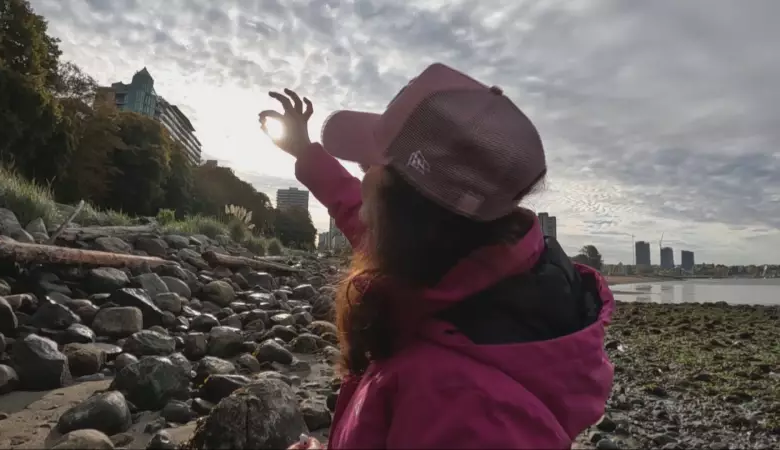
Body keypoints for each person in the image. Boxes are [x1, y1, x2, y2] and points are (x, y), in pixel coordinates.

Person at [261, 63, 615, 449]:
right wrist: (305, 152)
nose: (362, 186)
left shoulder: (467, 409)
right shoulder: (474, 270)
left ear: (402, 210)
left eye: (368, 167)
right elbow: (359, 216)